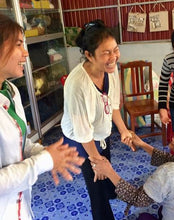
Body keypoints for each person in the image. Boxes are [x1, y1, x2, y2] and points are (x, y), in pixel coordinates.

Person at [0, 14, 85, 220]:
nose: (26, 53)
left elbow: (19, 143)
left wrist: (45, 151)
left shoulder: (9, 90)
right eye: (18, 44)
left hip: (19, 207)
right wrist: (44, 161)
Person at [60, 19, 134, 220]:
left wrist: (124, 130)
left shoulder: (111, 68)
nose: (113, 57)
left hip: (101, 130)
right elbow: (83, 133)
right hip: (80, 139)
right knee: (95, 183)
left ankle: (110, 190)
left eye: (115, 50)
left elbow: (114, 106)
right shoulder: (77, 84)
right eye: (106, 53)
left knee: (106, 165)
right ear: (89, 55)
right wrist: (95, 160)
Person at [90, 124, 174, 220]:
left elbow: (138, 199)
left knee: (144, 217)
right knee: (161, 210)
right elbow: (170, 159)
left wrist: (109, 171)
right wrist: (142, 144)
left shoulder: (169, 173)